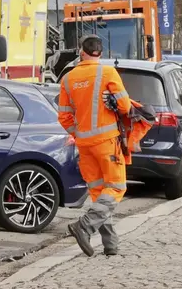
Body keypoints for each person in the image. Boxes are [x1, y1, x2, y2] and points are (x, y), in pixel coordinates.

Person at [57, 34, 133, 257]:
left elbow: (63, 117)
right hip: (107, 142)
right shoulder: (108, 72)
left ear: (81, 52)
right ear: (101, 53)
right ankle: (84, 226)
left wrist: (79, 134)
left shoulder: (68, 79)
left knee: (100, 193)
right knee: (117, 187)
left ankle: (111, 245)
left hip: (85, 145)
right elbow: (125, 106)